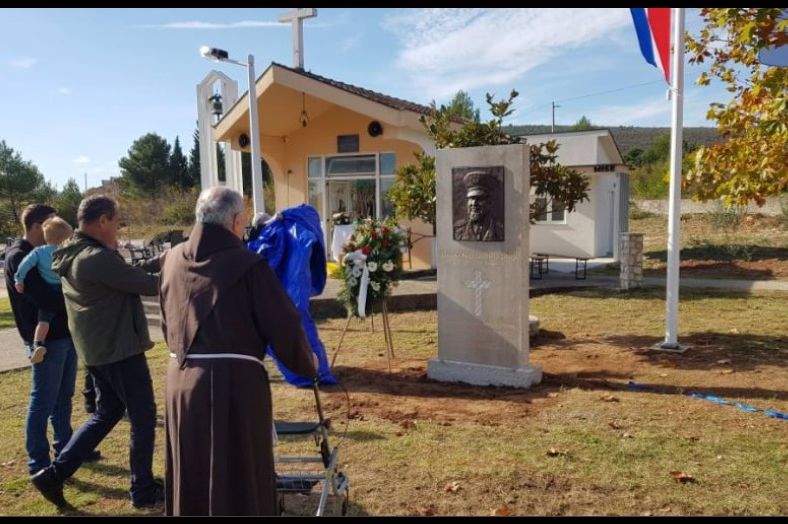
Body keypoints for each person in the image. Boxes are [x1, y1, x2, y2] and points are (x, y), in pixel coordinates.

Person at [159, 187, 316, 516]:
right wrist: (307, 363)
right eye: (243, 221)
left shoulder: (171, 259)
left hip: (180, 382)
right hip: (231, 386)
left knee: (193, 467)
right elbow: (283, 323)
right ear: (235, 221)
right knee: (238, 469)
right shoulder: (248, 266)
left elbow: (167, 322)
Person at [30, 195, 163, 509]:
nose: (118, 226)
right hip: (118, 350)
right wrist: (183, 267)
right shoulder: (95, 258)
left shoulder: (77, 251)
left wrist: (160, 261)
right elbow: (145, 284)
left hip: (98, 350)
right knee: (143, 416)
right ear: (102, 220)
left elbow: (124, 274)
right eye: (116, 220)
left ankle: (53, 475)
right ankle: (142, 490)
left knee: (107, 412)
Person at [4, 205, 98, 477]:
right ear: (36, 226)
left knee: (63, 398)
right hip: (46, 341)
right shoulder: (19, 257)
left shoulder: (53, 253)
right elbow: (44, 298)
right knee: (42, 401)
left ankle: (66, 449)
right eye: (50, 222)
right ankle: (39, 463)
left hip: (65, 334)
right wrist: (73, 293)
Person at [14, 217, 74, 364]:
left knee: (43, 321)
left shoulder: (38, 252)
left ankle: (38, 344)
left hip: (49, 288)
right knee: (72, 314)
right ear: (64, 239)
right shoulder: (66, 252)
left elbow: (24, 265)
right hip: (64, 288)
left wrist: (19, 279)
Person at [453, 170, 505, 242]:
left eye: (479, 199)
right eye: (471, 199)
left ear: (489, 202)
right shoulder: (458, 231)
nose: (474, 203)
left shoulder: (500, 232)